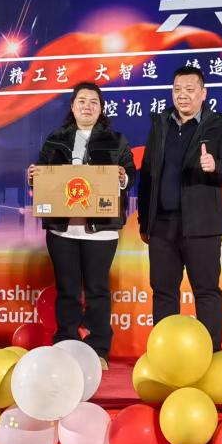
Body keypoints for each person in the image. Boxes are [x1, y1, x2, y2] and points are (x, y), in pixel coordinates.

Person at [29, 82, 135, 369]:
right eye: (82, 101)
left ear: (101, 109)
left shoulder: (116, 140)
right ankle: (65, 344)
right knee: (67, 290)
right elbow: (43, 173)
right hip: (62, 230)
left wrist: (123, 177)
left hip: (101, 231)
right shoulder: (56, 138)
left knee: (98, 290)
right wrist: (34, 176)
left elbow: (131, 174)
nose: (87, 106)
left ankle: (98, 349)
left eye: (93, 102)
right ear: (73, 107)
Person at [137, 66, 222, 351]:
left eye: (190, 90)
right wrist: (145, 221)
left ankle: (211, 353)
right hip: (162, 226)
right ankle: (165, 353)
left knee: (206, 292)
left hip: (202, 227)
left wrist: (215, 165)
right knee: (163, 293)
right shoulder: (160, 124)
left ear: (203, 93)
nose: (183, 95)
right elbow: (148, 175)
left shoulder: (217, 125)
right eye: (177, 89)